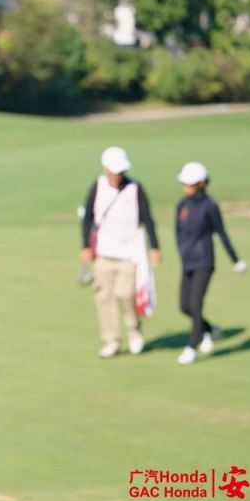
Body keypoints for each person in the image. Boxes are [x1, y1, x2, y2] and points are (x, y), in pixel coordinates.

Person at [80, 147, 161, 358]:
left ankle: (134, 331)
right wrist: (86, 246)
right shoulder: (98, 186)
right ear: (106, 169)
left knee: (125, 295)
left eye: (121, 171)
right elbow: (87, 217)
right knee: (104, 298)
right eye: (115, 171)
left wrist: (155, 246)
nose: (118, 175)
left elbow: (148, 218)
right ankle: (111, 340)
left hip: (129, 253)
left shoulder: (135, 188)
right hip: (103, 254)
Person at [175, 161, 246, 365]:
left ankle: (192, 348)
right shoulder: (182, 204)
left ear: (200, 184)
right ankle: (208, 329)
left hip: (204, 261)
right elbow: (178, 232)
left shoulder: (209, 206)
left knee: (195, 304)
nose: (185, 186)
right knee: (184, 306)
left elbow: (222, 234)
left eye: (189, 183)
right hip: (187, 261)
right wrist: (182, 252)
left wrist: (236, 260)